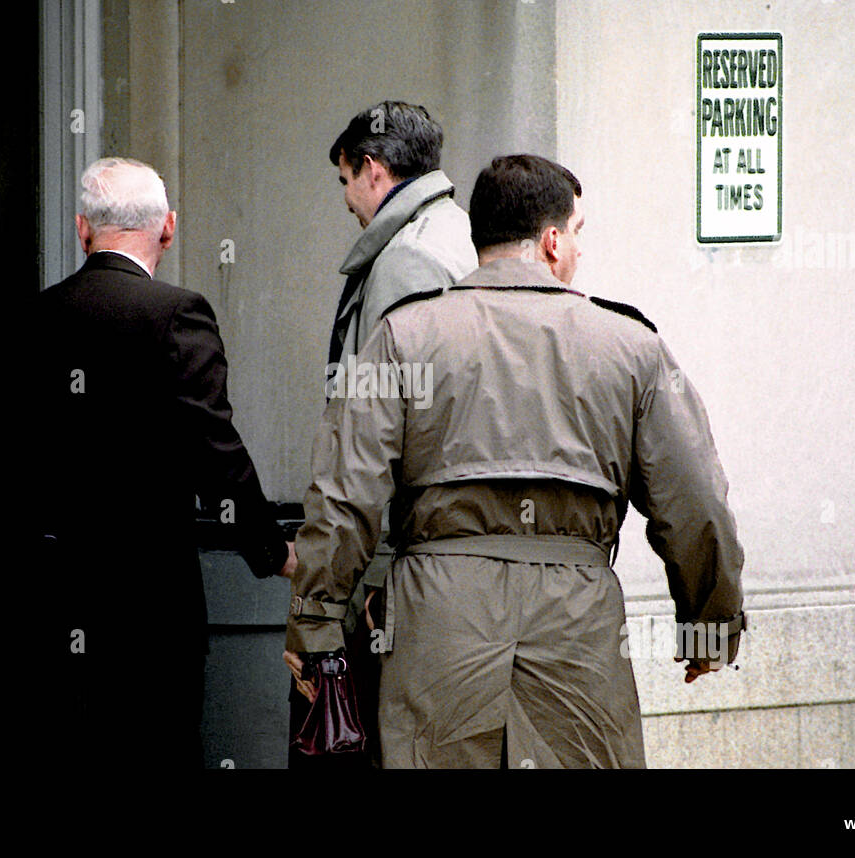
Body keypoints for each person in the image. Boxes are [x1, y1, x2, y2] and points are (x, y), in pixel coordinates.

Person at [284, 154, 745, 768]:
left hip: (438, 616)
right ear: (553, 241)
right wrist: (709, 625)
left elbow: (345, 491)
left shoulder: (405, 335)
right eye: (578, 232)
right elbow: (695, 503)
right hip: (575, 621)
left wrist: (316, 624)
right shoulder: (630, 345)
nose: (578, 249)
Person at [24, 157, 294, 768]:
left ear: (81, 229)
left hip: (48, 597)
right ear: (167, 229)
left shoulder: (35, 317)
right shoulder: (176, 314)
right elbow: (214, 449)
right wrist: (273, 550)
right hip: (150, 606)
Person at [286, 101, 477, 769]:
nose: (345, 201)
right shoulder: (448, 234)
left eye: (345, 181)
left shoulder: (408, 262)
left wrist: (358, 583)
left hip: (402, 572)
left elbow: (382, 440)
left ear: (372, 170)